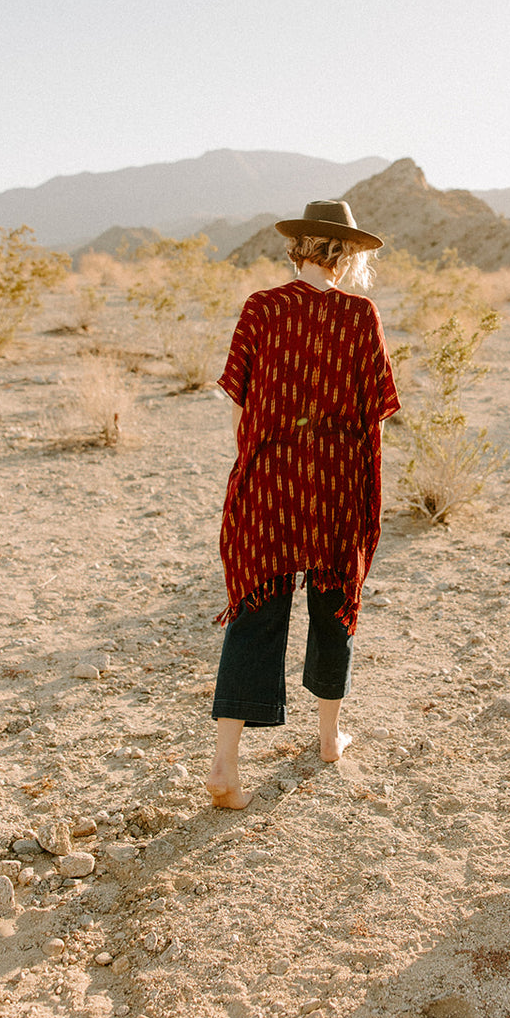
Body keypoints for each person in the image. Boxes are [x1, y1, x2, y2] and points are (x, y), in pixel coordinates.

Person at [205, 199, 400, 808]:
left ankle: (225, 763)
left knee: (256, 608)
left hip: (269, 482)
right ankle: (326, 737)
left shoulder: (261, 308)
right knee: (332, 599)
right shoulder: (360, 315)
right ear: (344, 256)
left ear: (298, 251)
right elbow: (378, 417)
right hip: (337, 485)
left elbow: (240, 407)